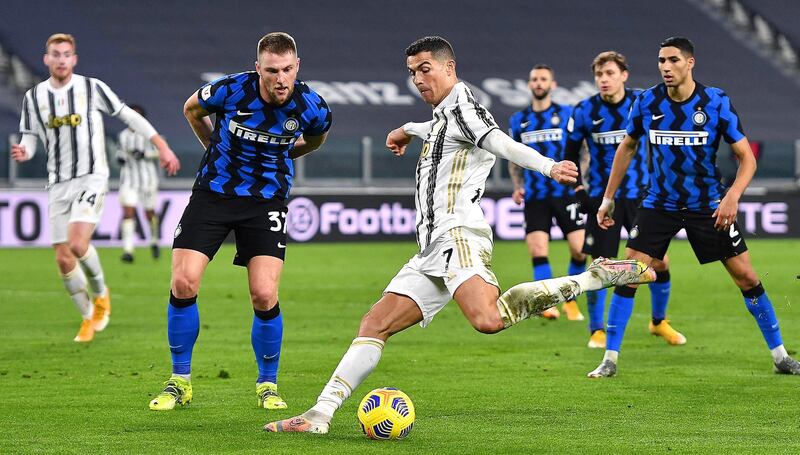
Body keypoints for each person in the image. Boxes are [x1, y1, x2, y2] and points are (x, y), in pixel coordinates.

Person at [264, 36, 655, 434]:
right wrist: (405, 128)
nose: (417, 78)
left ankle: (595, 276)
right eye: (412, 72)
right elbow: (437, 127)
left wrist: (548, 166)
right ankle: (318, 415)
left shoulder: (465, 106)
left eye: (425, 69)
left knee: (487, 319)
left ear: (449, 68)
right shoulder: (444, 113)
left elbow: (499, 142)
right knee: (374, 324)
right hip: (432, 248)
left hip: (458, 235)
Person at [588, 37, 800, 378]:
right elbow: (627, 147)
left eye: (673, 60)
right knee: (628, 275)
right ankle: (609, 359)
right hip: (659, 203)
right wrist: (608, 198)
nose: (665, 67)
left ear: (690, 63)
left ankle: (780, 357)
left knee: (746, 277)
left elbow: (746, 159)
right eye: (661, 61)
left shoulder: (715, 102)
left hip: (708, 204)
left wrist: (732, 196)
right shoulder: (647, 101)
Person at [147, 32, 332, 411]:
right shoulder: (231, 90)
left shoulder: (312, 107)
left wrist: (288, 153)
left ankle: (268, 384)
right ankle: (179, 380)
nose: (280, 79)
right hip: (214, 193)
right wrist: (212, 145)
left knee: (264, 294)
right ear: (257, 69)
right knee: (183, 282)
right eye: (271, 71)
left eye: (286, 70)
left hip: (266, 200)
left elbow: (316, 138)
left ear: (297, 67)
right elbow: (191, 109)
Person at [11, 33, 179, 343]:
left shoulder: (91, 88)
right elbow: (31, 138)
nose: (61, 59)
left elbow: (127, 115)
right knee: (63, 259)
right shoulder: (34, 97)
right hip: (58, 181)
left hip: (91, 176)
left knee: (77, 243)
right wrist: (24, 150)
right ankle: (87, 316)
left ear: (74, 59)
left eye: (66, 54)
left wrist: (161, 145)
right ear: (46, 59)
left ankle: (101, 293)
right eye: (55, 54)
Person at [564, 51, 684, 349]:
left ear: (624, 75)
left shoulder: (642, 102)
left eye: (609, 74)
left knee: (660, 262)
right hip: (604, 200)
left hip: (643, 197)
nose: (603, 80)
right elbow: (570, 154)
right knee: (600, 265)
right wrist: (580, 191)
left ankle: (658, 322)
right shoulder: (584, 110)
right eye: (599, 75)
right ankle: (596, 330)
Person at [509, 64, 586, 322]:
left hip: (565, 193)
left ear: (552, 85)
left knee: (579, 251)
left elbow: (582, 149)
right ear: (530, 84)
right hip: (535, 195)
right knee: (538, 249)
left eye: (543, 79)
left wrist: (579, 179)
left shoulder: (567, 114)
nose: (539, 83)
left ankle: (571, 301)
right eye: (534, 79)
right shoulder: (519, 121)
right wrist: (518, 185)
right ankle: (546, 303)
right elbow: (514, 158)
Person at [116, 104, 162, 263]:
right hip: (128, 179)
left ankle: (154, 240)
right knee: (128, 213)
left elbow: (161, 152)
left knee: (149, 213)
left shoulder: (149, 134)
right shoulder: (122, 136)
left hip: (147, 180)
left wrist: (145, 154)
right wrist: (120, 157)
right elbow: (119, 152)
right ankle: (128, 250)